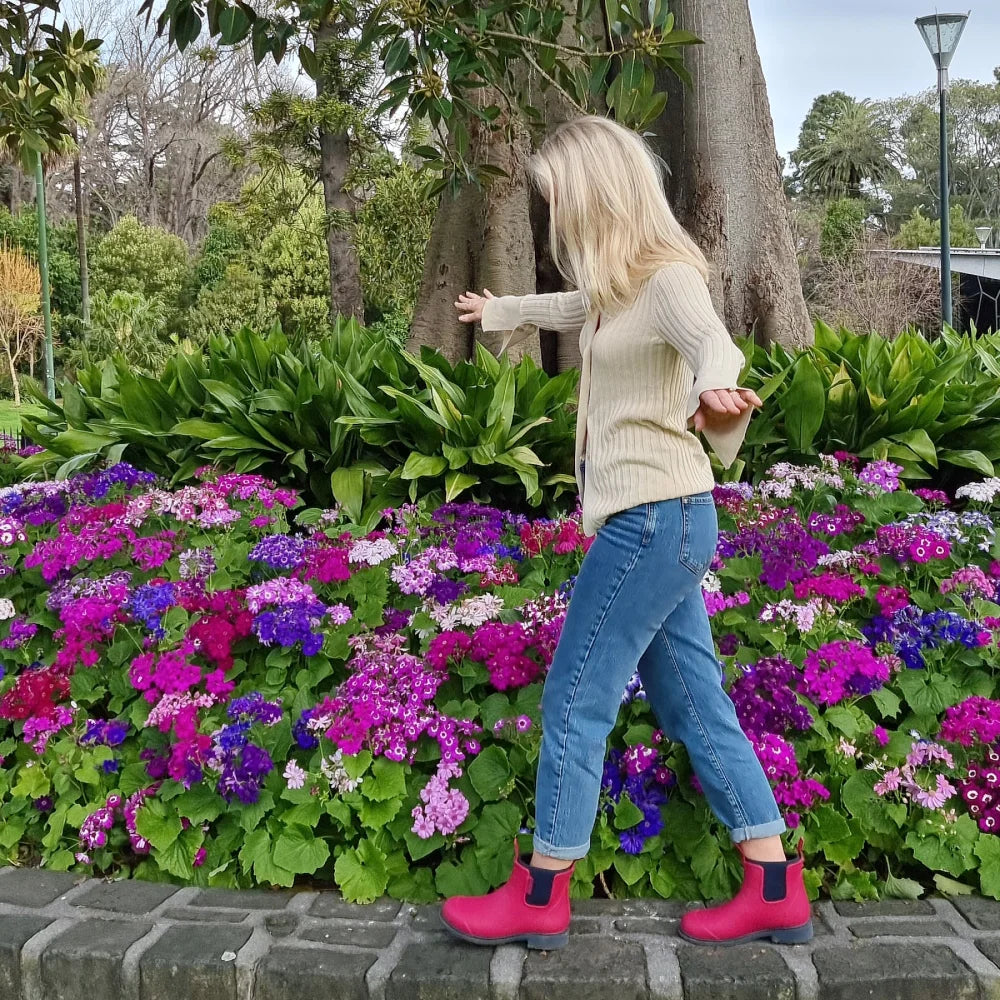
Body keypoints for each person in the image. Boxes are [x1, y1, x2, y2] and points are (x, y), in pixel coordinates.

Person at [439, 115, 812, 950]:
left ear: (600, 193)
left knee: (575, 700)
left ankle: (541, 893)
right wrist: (500, 308)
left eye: (563, 199)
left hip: (653, 520)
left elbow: (712, 343)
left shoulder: (671, 277)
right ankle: (775, 884)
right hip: (671, 523)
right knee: (691, 702)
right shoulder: (617, 285)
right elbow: (570, 305)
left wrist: (717, 390)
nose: (557, 217)